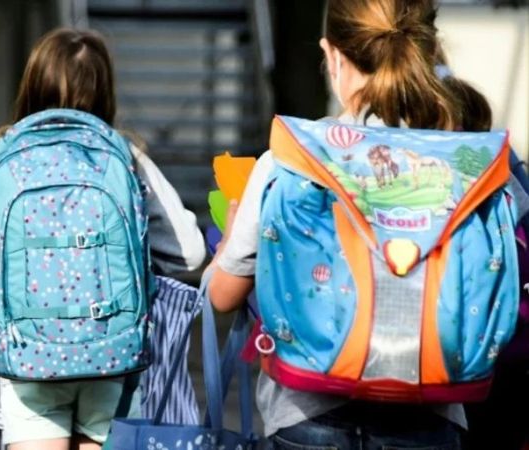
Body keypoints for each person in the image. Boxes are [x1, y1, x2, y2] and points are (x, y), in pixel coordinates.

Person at [207, 0, 524, 448]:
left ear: (332, 56)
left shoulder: (292, 158)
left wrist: (229, 242)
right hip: (430, 414)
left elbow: (223, 295)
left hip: (307, 414)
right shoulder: (475, 163)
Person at [0, 28, 205, 450]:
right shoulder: (125, 157)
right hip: (114, 356)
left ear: (32, 85)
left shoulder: (3, 155)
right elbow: (190, 253)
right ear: (105, 89)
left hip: (30, 353)